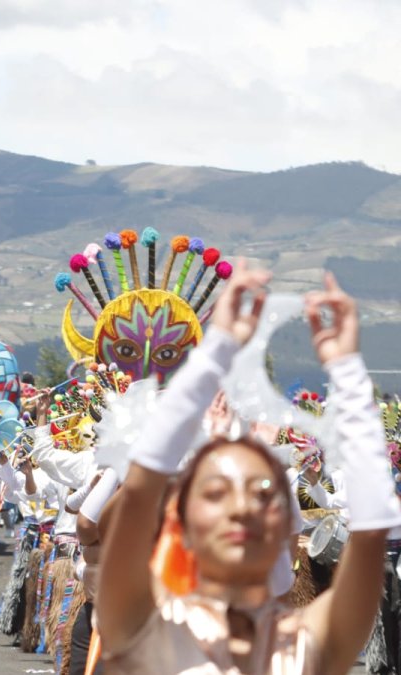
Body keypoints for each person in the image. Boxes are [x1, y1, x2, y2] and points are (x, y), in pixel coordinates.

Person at [98, 268, 401, 674]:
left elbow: (371, 529)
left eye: (263, 493)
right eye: (216, 492)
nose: (242, 508)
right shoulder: (141, 624)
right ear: (181, 520)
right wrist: (215, 350)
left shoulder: (313, 641)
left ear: (286, 527)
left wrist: (347, 368)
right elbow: (140, 486)